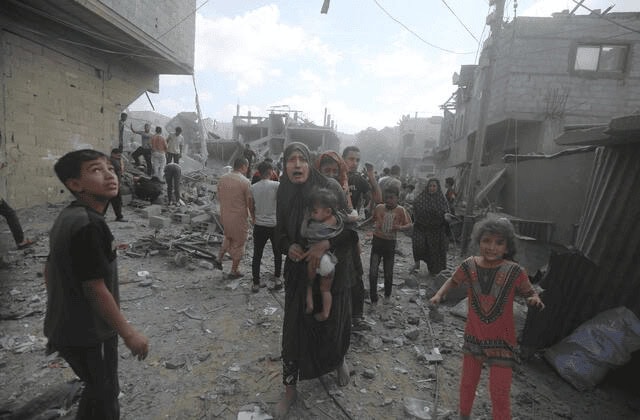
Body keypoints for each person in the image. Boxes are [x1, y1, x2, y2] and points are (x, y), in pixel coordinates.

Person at [44, 149, 149, 419]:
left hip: (66, 328)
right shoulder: (90, 225)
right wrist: (129, 334)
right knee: (105, 395)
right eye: (96, 170)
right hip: (90, 333)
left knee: (95, 388)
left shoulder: (70, 216)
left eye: (110, 169)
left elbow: (50, 267)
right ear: (75, 184)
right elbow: (94, 288)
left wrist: (61, 307)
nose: (109, 175)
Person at [429, 217, 545, 420]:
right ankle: (464, 416)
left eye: (499, 242)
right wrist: (439, 295)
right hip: (473, 337)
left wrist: (534, 299)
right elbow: (453, 280)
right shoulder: (469, 265)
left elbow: (530, 292)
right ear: (478, 241)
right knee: (467, 384)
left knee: (499, 393)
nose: (492, 247)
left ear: (507, 247)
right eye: (487, 241)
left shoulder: (515, 271)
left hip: (502, 343)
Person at [274, 142, 357, 417]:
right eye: (291, 159)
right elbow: (278, 232)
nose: (297, 164)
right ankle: (290, 389)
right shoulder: (283, 192)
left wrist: (326, 243)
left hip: (332, 270)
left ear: (309, 163)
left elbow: (351, 231)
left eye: (302, 158)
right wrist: (288, 246)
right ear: (285, 165)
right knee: (293, 332)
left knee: (332, 324)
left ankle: (338, 360)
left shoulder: (329, 188)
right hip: (299, 272)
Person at [342, 146, 382, 331]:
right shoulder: (333, 176)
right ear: (343, 159)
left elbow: (378, 198)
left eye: (357, 160)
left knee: (356, 275)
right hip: (329, 231)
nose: (354, 163)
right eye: (351, 159)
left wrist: (371, 176)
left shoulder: (358, 180)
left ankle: (356, 317)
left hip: (349, 231)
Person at [301, 188, 343, 322]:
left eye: (314, 211)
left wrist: (305, 219)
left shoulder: (314, 227)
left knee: (309, 284)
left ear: (328, 211)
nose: (311, 214)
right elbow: (347, 221)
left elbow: (303, 233)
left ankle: (310, 304)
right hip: (329, 262)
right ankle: (325, 313)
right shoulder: (336, 223)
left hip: (313, 259)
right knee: (325, 290)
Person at [368, 186, 412, 304]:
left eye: (391, 198)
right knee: (373, 272)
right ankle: (373, 298)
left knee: (388, 272)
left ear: (397, 198)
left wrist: (399, 227)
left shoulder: (401, 210)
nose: (388, 200)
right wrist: (361, 224)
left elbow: (409, 224)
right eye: (386, 198)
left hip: (390, 243)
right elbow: (373, 219)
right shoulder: (379, 207)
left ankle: (387, 295)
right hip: (377, 241)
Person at [217, 157, 253, 279]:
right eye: (247, 167)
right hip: (239, 218)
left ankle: (219, 258)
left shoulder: (222, 178)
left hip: (225, 215)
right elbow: (249, 203)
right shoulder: (245, 182)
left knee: (228, 236)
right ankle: (234, 270)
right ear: (243, 166)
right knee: (240, 243)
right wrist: (253, 217)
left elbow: (218, 197)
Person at [249, 161, 282, 292]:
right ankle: (278, 279)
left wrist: (254, 218)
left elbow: (251, 206)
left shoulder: (253, 187)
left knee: (257, 254)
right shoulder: (277, 185)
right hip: (274, 225)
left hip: (259, 225)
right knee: (277, 253)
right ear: (270, 172)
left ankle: (256, 283)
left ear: (259, 172)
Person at [411, 178, 450, 275]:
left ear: (438, 187)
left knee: (434, 251)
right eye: (430, 186)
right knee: (419, 246)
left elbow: (446, 212)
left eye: (434, 186)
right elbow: (415, 209)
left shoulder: (441, 199)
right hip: (421, 228)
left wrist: (446, 216)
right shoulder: (421, 198)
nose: (432, 188)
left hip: (436, 229)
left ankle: (435, 270)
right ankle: (417, 263)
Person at [108, 148, 127, 222]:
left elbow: (120, 171)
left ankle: (119, 216)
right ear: (113, 154)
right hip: (112, 184)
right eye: (118, 155)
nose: (120, 156)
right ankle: (119, 216)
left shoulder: (117, 160)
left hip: (115, 184)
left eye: (120, 155)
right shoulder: (111, 161)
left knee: (113, 201)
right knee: (115, 201)